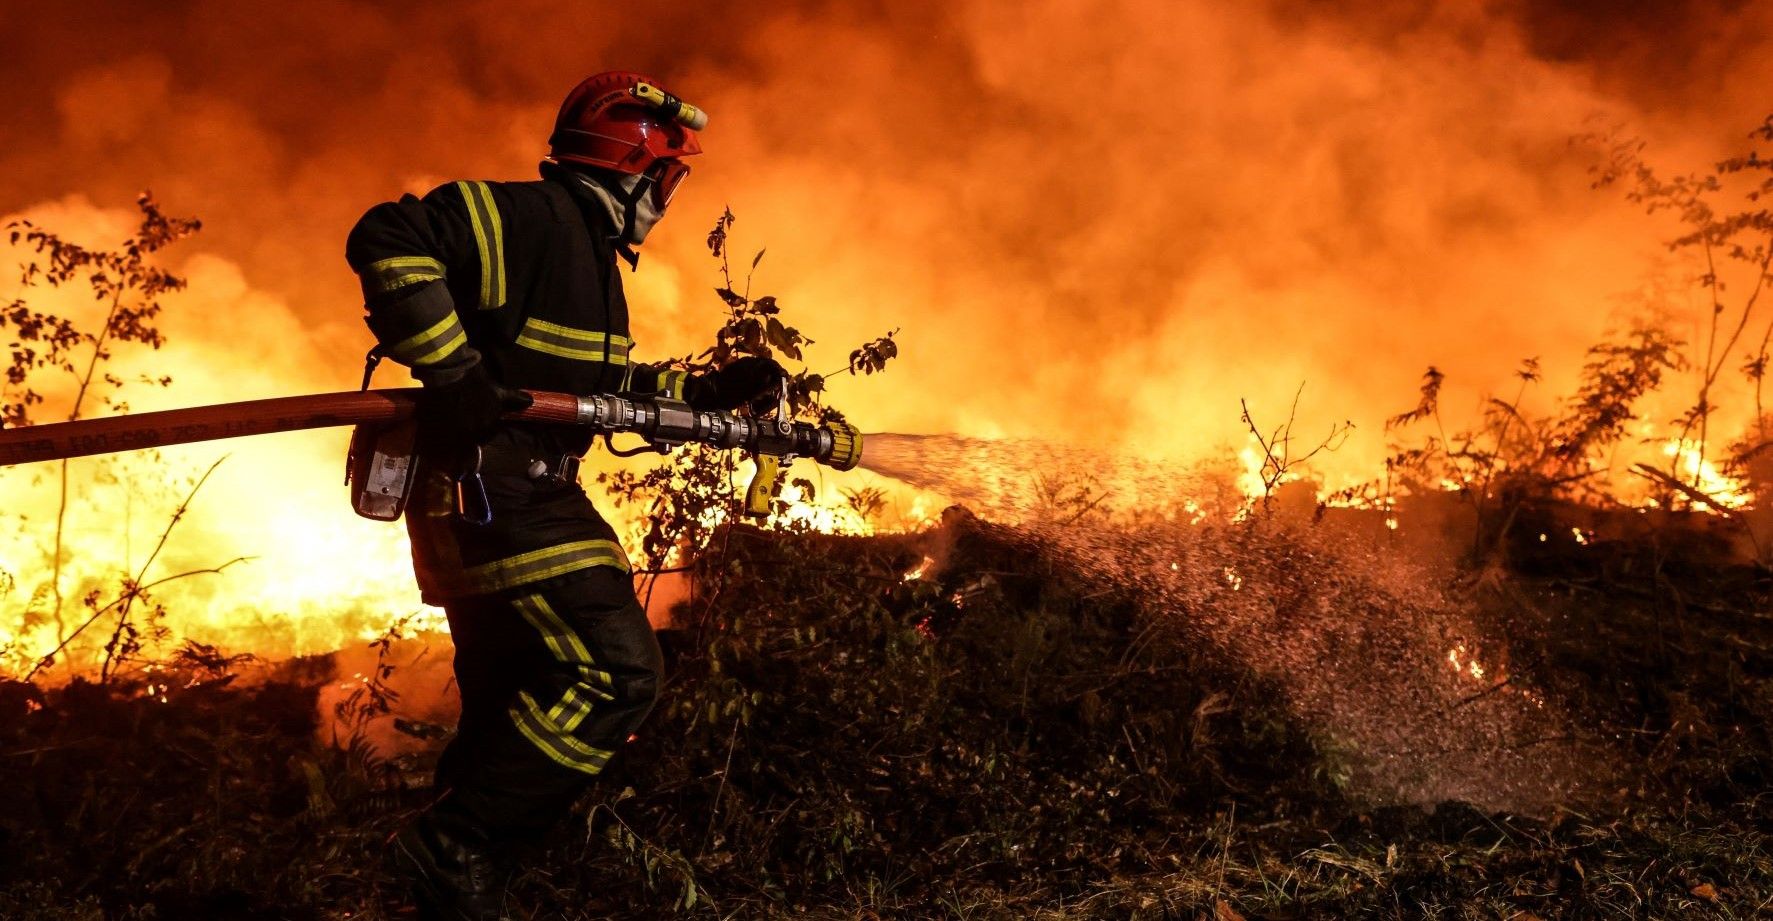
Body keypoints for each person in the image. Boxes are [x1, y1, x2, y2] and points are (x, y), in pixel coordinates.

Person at [344, 71, 784, 920]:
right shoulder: (527, 217)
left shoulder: (579, 257)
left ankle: (458, 888)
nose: (670, 196)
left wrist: (709, 393)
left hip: (499, 497)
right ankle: (455, 843)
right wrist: (457, 371)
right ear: (636, 170)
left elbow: (591, 386)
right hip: (497, 498)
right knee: (619, 671)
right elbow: (388, 236)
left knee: (510, 703)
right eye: (670, 177)